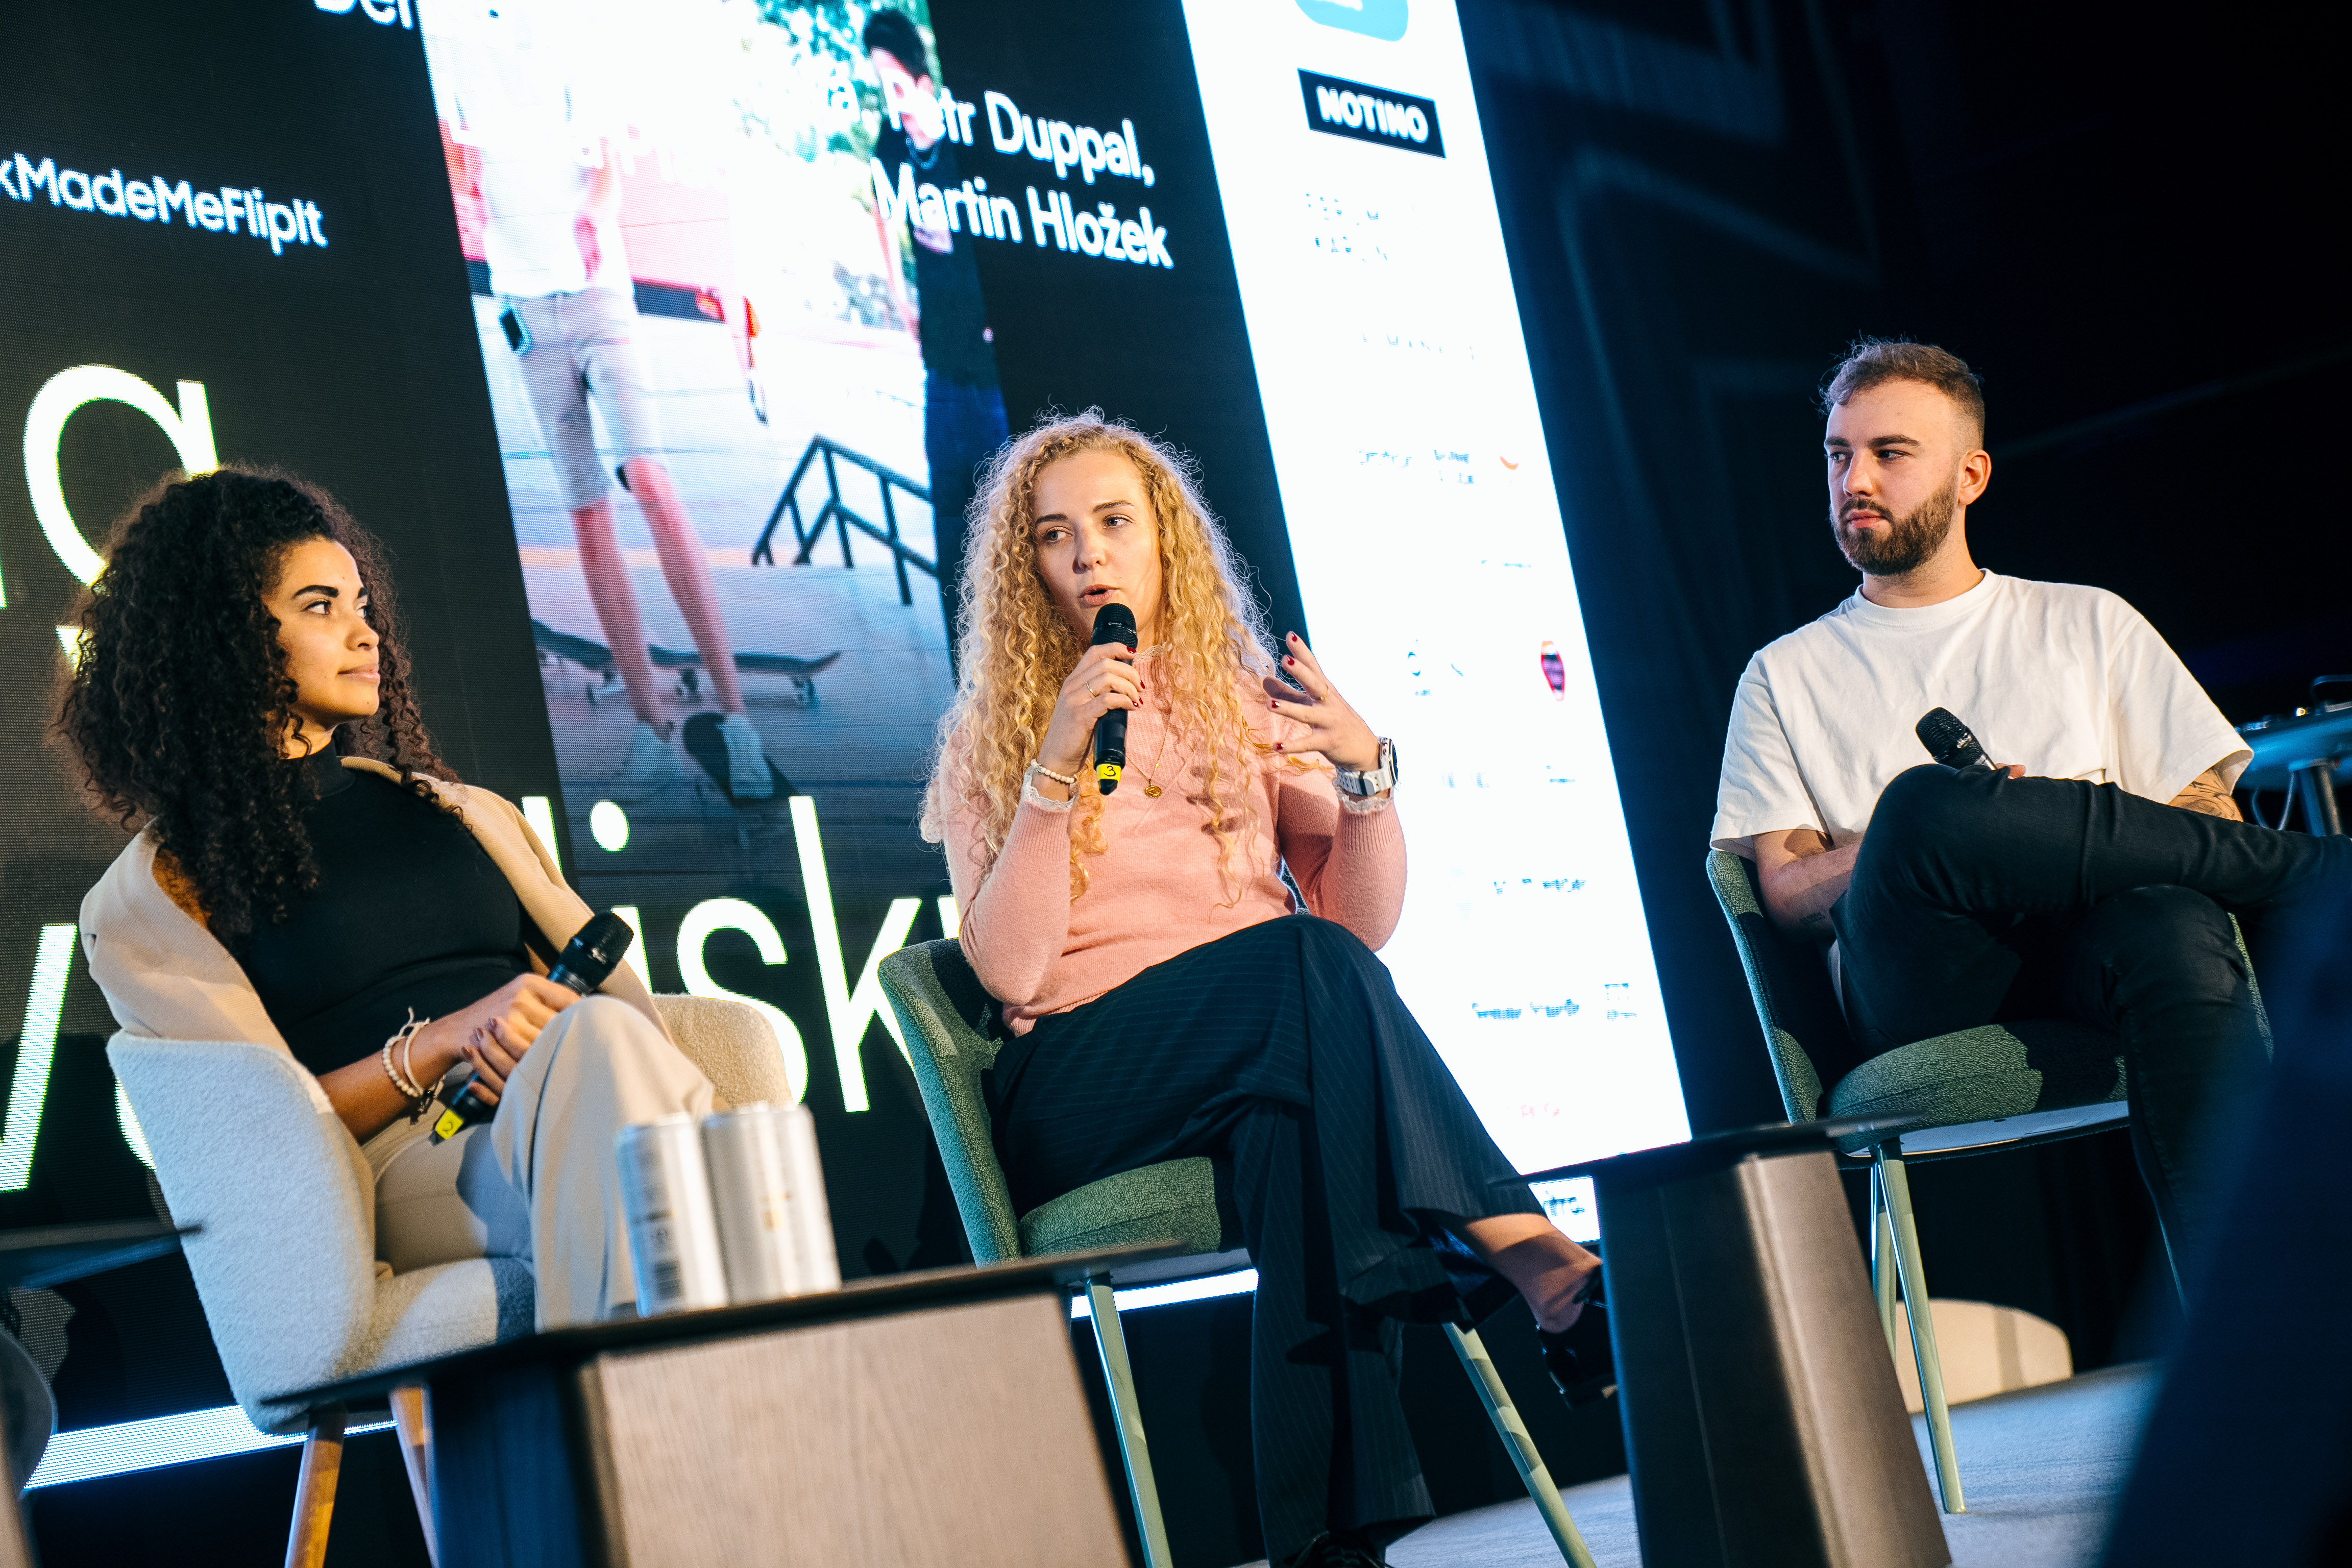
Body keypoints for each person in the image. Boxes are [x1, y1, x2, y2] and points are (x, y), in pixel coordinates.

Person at [921, 413, 1603, 1568]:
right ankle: (1531, 1255)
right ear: (1023, 566)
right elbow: (1007, 971)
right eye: (1052, 534)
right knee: (1298, 971)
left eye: (1112, 522)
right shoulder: (991, 734)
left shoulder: (1241, 700)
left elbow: (1356, 931)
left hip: (1260, 1051)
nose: (1086, 554)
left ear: (1165, 541)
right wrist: (1052, 770)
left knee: (1309, 1132)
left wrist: (1366, 779)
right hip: (1084, 1084)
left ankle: (1331, 1543)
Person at [1713, 337, 2352, 1277]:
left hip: (2092, 951)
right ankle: (2320, 875)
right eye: (1838, 455)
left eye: (1889, 454)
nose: (1856, 480)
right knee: (1929, 805)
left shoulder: (2088, 620)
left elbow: (2207, 823)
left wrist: (2035, 829)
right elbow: (1783, 891)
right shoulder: (1783, 672)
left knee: (2174, 924)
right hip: (1923, 981)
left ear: (1969, 476)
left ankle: (2262, 1314)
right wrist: (1923, 834)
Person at [63, 468, 719, 1330]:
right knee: (661, 1143)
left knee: (613, 1061)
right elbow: (249, 1135)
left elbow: (607, 1014)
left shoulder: (463, 812)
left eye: (363, 605)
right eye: (321, 607)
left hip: (571, 1099)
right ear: (221, 635)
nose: (365, 632)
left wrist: (545, 1038)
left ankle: (638, 1382)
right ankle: (681, 1386)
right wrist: (447, 1040)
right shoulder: (159, 894)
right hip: (404, 1160)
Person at [431, 2, 774, 798]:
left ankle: (739, 724)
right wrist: (469, 191)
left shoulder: (559, 29)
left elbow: (608, 168)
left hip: (597, 295)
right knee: (586, 510)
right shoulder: (447, 35)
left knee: (649, 478)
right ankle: (653, 729)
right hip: (524, 303)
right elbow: (457, 154)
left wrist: (586, 221)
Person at [864, 8, 1010, 638]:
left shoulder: (969, 145)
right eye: (882, 89)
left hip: (992, 377)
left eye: (898, 87)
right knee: (952, 524)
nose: (893, 103)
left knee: (1006, 527)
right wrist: (901, 300)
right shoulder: (892, 146)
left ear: (926, 84)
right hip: (941, 372)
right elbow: (879, 210)